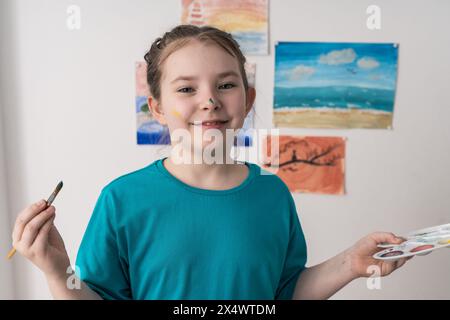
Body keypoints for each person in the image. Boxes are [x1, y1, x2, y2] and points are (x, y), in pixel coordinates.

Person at [10, 24, 411, 300]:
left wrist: (351, 263)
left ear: (247, 99)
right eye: (186, 88)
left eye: (226, 84)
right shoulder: (121, 200)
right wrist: (55, 269)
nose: (210, 100)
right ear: (158, 108)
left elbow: (286, 291)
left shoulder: (273, 194)